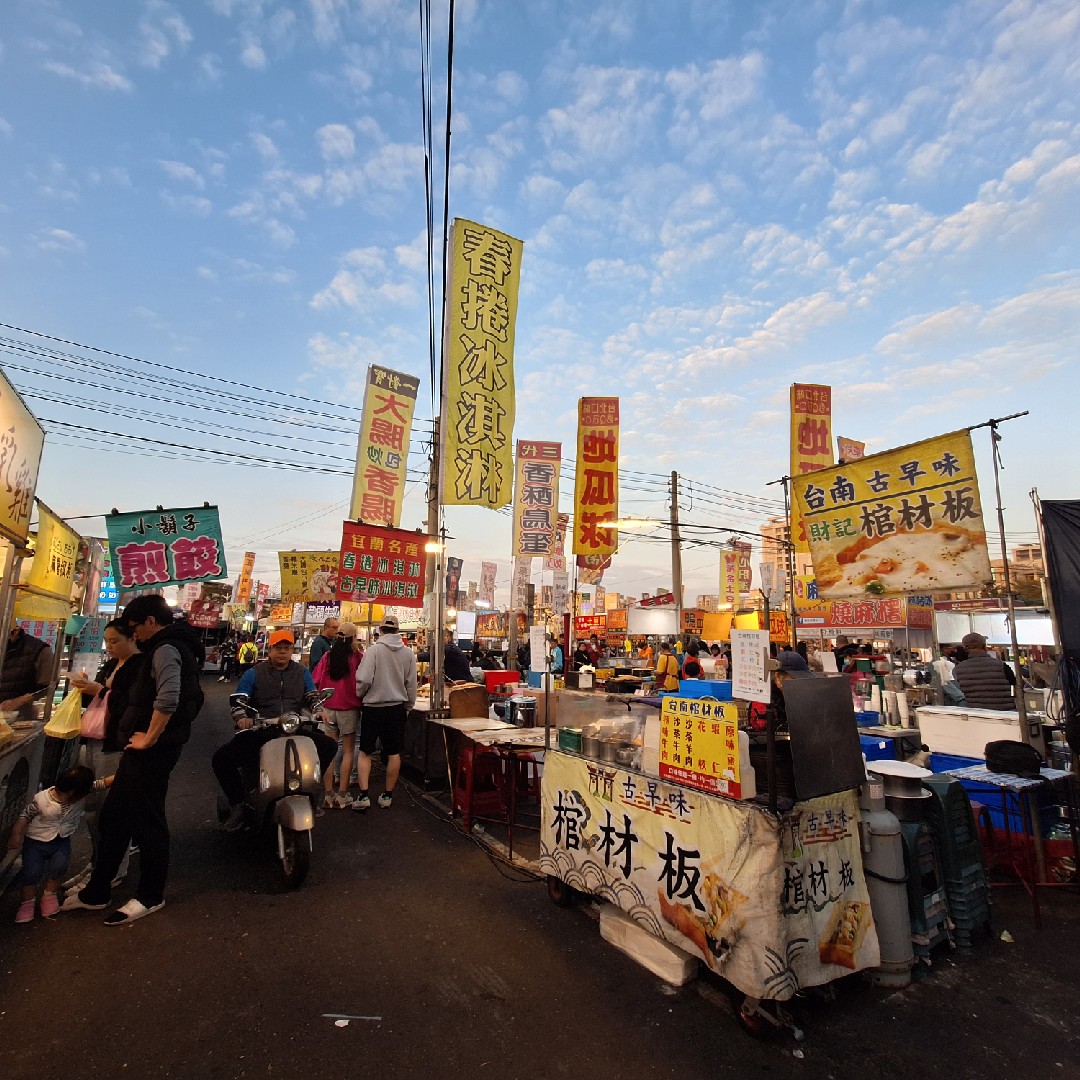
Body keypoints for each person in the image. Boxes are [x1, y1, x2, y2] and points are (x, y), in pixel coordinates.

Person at [62, 595, 205, 925]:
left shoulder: (166, 648)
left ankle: (150, 895)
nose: (133, 633)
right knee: (115, 816)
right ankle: (97, 891)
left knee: (147, 819)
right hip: (139, 748)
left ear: (151, 622)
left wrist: (150, 737)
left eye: (134, 627)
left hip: (153, 749)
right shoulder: (164, 646)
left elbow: (169, 697)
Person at [213, 628, 338, 829]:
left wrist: (318, 710)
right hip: (262, 730)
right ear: (270, 650)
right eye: (278, 648)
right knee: (222, 759)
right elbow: (240, 701)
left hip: (294, 727)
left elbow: (312, 696)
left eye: (287, 648)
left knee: (329, 745)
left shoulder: (301, 672)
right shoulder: (254, 673)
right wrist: (242, 718)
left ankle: (315, 791)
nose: (283, 652)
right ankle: (238, 804)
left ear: (292, 650)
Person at [67, 619, 144, 888]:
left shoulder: (140, 666)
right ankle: (97, 862)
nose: (109, 646)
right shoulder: (111, 664)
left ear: (132, 638)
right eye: (107, 641)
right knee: (91, 806)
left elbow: (133, 706)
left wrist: (101, 691)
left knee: (110, 810)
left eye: (115, 641)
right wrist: (88, 688)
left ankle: (113, 869)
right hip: (96, 739)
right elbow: (102, 698)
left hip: (117, 744)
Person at [8, 765, 96, 923]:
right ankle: (27, 903)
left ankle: (49, 895)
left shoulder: (82, 791)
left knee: (58, 868)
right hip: (35, 842)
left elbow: (102, 783)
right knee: (31, 872)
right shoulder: (41, 799)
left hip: (61, 841)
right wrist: (16, 835)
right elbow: (24, 816)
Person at [352, 614, 417, 811]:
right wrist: (408, 706)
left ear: (380, 630)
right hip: (396, 708)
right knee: (393, 752)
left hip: (373, 708)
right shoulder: (407, 653)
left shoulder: (374, 651)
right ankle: (387, 795)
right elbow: (411, 685)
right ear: (398, 631)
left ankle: (363, 796)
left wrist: (361, 695)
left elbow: (363, 679)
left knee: (365, 751)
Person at [311, 621, 362, 809]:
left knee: (330, 751)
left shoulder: (327, 657)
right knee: (348, 751)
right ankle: (342, 794)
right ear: (353, 638)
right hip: (349, 709)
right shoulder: (357, 658)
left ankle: (328, 795)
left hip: (328, 709)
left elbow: (315, 680)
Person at [0, 623, 55, 721]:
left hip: (19, 720)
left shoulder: (40, 651)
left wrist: (20, 701)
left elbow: (49, 685)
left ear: (16, 630)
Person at [953, 632, 1016, 711]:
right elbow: (1015, 685)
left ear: (965, 649)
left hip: (978, 714)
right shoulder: (1001, 665)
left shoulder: (958, 669)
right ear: (984, 646)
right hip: (1005, 713)